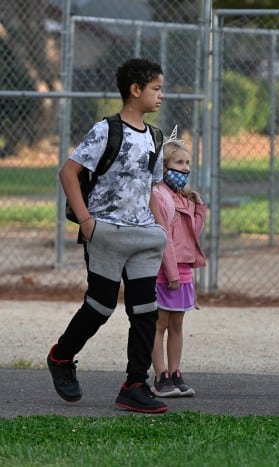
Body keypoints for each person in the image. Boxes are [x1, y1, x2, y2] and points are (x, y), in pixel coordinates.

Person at [47, 58, 169, 414]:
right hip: (106, 233)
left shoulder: (156, 138)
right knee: (100, 306)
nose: (161, 95)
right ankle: (61, 356)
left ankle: (134, 384)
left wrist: (161, 229)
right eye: (156, 89)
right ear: (135, 90)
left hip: (144, 237)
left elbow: (151, 187)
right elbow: (68, 173)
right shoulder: (106, 131)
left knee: (146, 310)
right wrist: (87, 222)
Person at [150, 128, 206, 398]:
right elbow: (165, 239)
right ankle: (160, 376)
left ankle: (175, 372)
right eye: (178, 163)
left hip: (182, 270)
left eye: (187, 163)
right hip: (165, 272)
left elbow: (192, 236)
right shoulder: (159, 196)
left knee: (177, 324)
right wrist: (171, 271)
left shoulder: (185, 196)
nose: (184, 169)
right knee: (158, 324)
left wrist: (198, 206)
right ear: (164, 167)